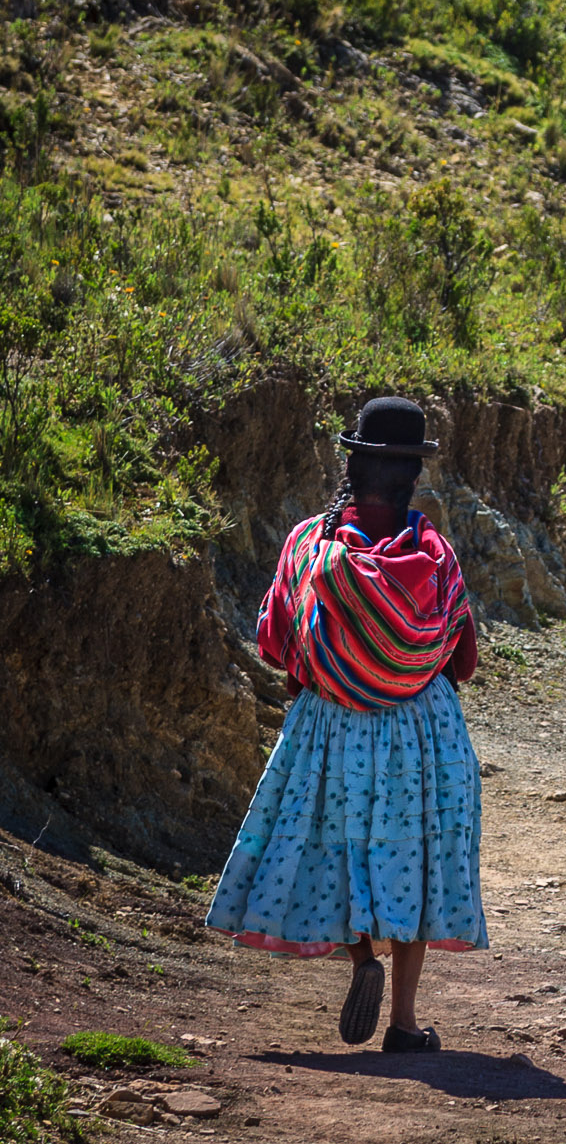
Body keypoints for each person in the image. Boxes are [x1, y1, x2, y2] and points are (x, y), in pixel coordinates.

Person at [206, 396, 487, 1052]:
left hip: (332, 726)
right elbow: (464, 661)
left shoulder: (310, 542)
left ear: (352, 466)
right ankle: (405, 1023)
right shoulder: (434, 551)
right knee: (414, 859)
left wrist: (338, 670)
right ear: (413, 476)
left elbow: (277, 643)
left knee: (341, 850)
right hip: (421, 731)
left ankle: (363, 962)